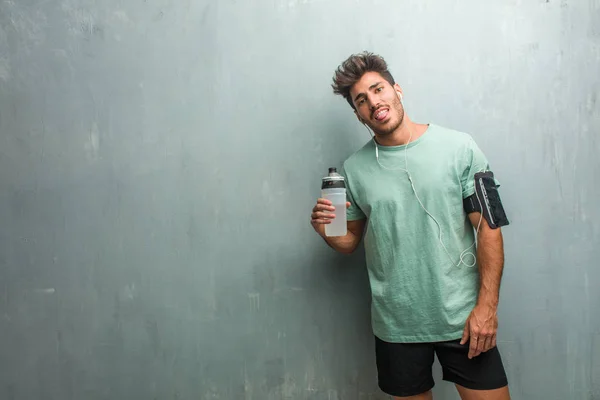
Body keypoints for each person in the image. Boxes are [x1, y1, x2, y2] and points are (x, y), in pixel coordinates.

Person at [310, 52, 511, 400]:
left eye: (378, 89)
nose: (373, 102)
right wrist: (327, 230)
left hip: (463, 320)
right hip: (397, 327)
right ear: (357, 113)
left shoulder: (460, 147)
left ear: (396, 89)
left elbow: (490, 226)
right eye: (362, 100)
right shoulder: (354, 169)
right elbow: (349, 243)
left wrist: (487, 309)